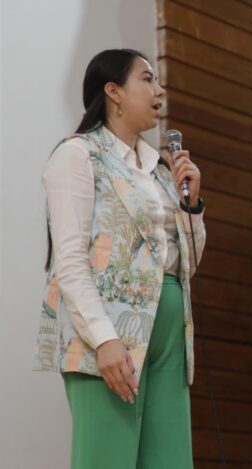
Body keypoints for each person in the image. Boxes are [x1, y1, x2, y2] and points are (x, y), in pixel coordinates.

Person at [33, 49, 206, 468]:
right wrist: (104, 341)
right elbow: (70, 260)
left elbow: (187, 262)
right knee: (107, 459)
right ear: (113, 92)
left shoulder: (160, 169)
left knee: (170, 461)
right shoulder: (78, 154)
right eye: (147, 79)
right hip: (108, 336)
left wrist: (192, 206)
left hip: (170, 339)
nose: (159, 91)